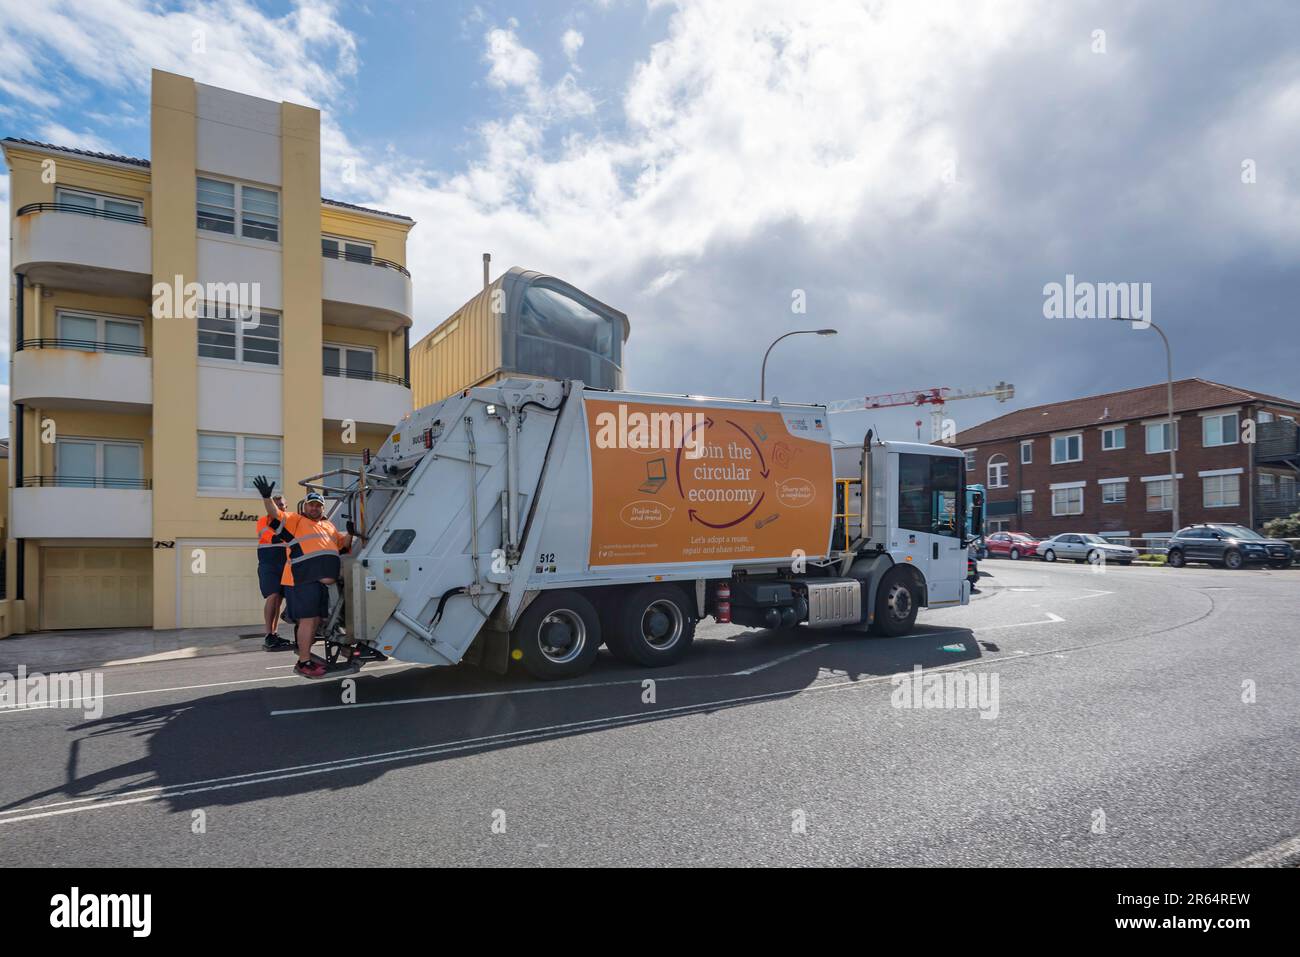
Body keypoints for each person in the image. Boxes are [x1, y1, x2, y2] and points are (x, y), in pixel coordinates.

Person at [252, 475, 354, 680]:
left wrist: (352, 533)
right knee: (308, 621)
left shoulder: (329, 527)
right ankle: (304, 663)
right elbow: (275, 513)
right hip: (301, 580)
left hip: (320, 584)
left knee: (316, 620)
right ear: (304, 507)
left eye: (318, 505)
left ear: (323, 508)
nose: (314, 508)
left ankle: (322, 653)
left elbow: (342, 544)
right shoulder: (295, 521)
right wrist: (266, 497)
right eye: (311, 505)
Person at [255, 494, 294, 651]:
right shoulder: (263, 521)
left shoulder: (291, 520)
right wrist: (283, 538)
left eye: (282, 505)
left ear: (286, 506)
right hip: (268, 564)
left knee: (279, 599)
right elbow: (268, 535)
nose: (279, 507)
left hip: (285, 564)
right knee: (273, 596)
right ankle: (269, 634)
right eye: (276, 505)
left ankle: (274, 633)